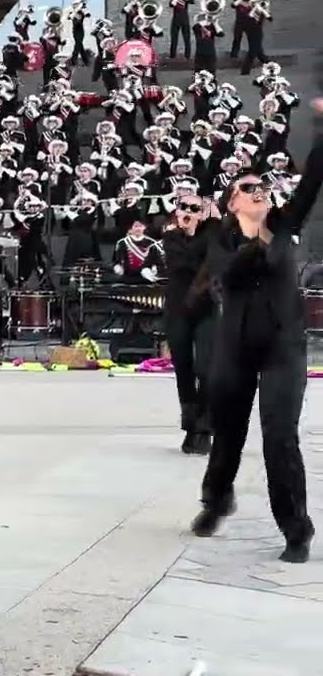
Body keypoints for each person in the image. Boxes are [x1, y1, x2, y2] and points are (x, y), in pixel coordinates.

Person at [190, 99, 322, 564]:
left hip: (284, 348)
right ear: (232, 202)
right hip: (235, 348)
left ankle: (296, 529)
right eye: (248, 187)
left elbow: (312, 181)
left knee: (279, 435)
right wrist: (254, 239)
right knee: (228, 432)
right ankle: (216, 500)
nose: (259, 189)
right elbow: (228, 272)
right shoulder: (219, 239)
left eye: (263, 185)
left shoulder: (286, 225)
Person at [161, 193, 219, 455]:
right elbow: (180, 265)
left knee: (206, 367)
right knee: (183, 369)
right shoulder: (170, 237)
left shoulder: (213, 237)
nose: (187, 211)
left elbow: (208, 266)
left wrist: (202, 232)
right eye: (183, 206)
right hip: (178, 309)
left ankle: (204, 428)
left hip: (207, 308)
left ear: (202, 214)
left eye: (194, 208)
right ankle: (191, 427)